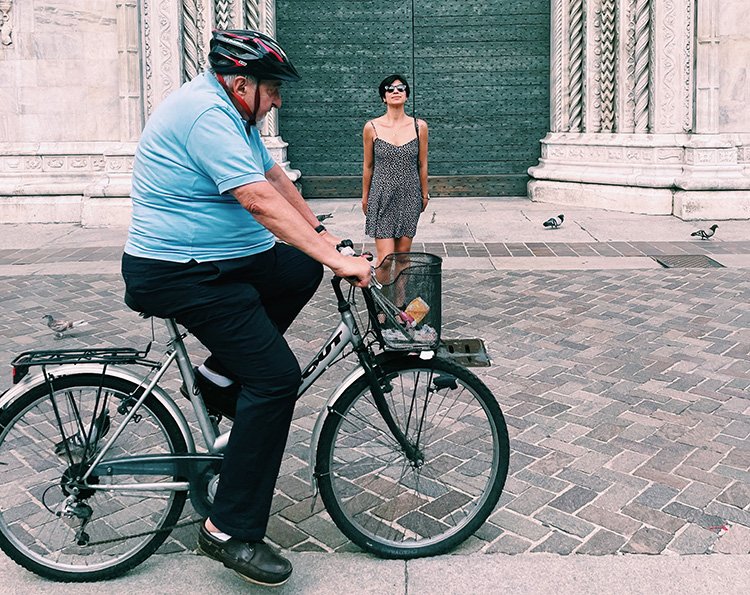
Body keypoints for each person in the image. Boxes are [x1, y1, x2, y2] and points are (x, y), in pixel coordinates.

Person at [121, 29, 371, 586]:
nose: (278, 100)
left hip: (224, 263)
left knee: (300, 265)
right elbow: (255, 198)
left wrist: (324, 241)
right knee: (277, 378)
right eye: (272, 89)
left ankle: (217, 377)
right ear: (241, 84)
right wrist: (342, 262)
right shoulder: (206, 115)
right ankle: (228, 530)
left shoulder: (236, 117)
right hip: (182, 272)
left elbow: (275, 179)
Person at [362, 74, 429, 266]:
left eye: (401, 88)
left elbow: (422, 163)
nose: (396, 91)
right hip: (382, 195)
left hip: (409, 195)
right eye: (390, 89)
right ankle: (381, 297)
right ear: (384, 97)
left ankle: (399, 297)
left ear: (407, 95)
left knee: (402, 257)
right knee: (385, 260)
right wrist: (366, 197)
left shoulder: (419, 126)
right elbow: (368, 166)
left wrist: (424, 195)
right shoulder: (371, 127)